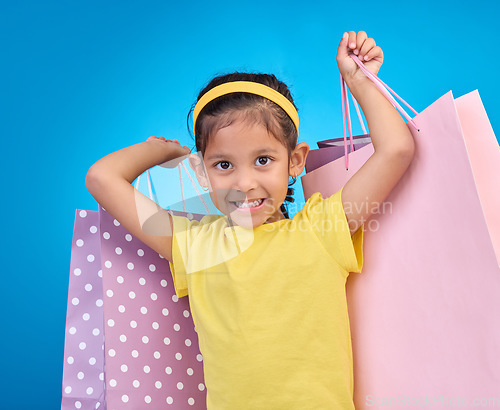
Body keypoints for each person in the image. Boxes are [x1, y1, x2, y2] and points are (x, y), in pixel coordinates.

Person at [86, 30, 415, 409]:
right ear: (202, 173)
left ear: (295, 161)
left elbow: (396, 149)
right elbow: (102, 179)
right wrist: (154, 150)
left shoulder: (321, 231)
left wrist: (359, 80)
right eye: (223, 164)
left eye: (263, 160)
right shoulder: (194, 245)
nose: (244, 183)